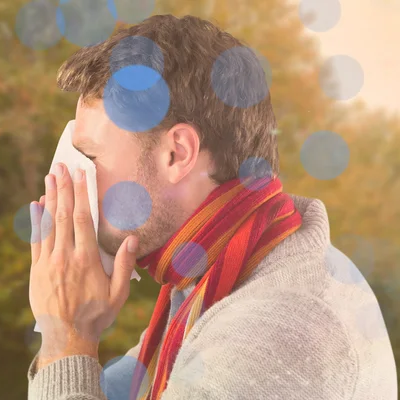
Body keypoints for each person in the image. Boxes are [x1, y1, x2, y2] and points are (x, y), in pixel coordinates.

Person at [27, 14, 397, 400]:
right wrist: (67, 338)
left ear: (177, 153)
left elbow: (70, 373)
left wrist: (66, 339)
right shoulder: (218, 278)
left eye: (89, 156)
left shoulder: (277, 330)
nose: (67, 178)